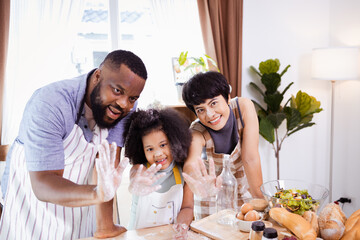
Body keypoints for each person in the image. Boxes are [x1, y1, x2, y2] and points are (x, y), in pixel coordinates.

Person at [0, 49, 147, 239]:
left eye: (133, 98)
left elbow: (105, 167)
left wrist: (105, 226)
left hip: (80, 217)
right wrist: (96, 193)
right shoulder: (50, 103)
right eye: (117, 90)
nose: (125, 104)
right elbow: (43, 183)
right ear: (97, 76)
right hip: (31, 216)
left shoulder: (124, 107)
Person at [181, 71, 264, 220]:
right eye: (200, 110)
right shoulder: (197, 132)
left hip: (243, 195)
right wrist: (199, 184)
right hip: (210, 200)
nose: (210, 114)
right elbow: (190, 165)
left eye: (213, 103)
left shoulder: (243, 107)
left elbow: (250, 159)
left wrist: (260, 199)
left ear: (228, 98)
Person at [123, 108, 193, 238]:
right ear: (141, 149)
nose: (158, 154)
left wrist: (182, 226)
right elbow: (135, 175)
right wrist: (136, 182)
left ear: (174, 141)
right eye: (150, 149)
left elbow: (187, 208)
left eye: (163, 145)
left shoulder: (183, 171)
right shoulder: (141, 169)